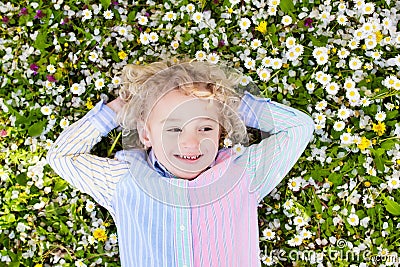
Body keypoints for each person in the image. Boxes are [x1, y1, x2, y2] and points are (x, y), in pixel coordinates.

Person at [46, 60, 314, 267]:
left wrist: (231, 103)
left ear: (221, 132)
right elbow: (61, 157)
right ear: (146, 134)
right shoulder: (124, 180)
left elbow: (298, 128)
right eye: (173, 130)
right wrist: (117, 110)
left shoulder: (242, 174)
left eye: (205, 128)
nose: (191, 143)